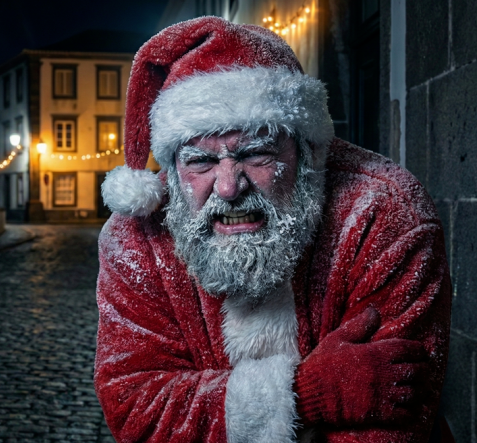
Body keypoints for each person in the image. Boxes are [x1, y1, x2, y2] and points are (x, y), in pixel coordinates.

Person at [94, 16, 452, 443]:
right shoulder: (136, 237)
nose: (228, 188)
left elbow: (395, 417)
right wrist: (301, 393)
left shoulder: (387, 211)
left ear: (307, 153)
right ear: (171, 170)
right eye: (200, 161)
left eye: (257, 154)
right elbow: (135, 406)